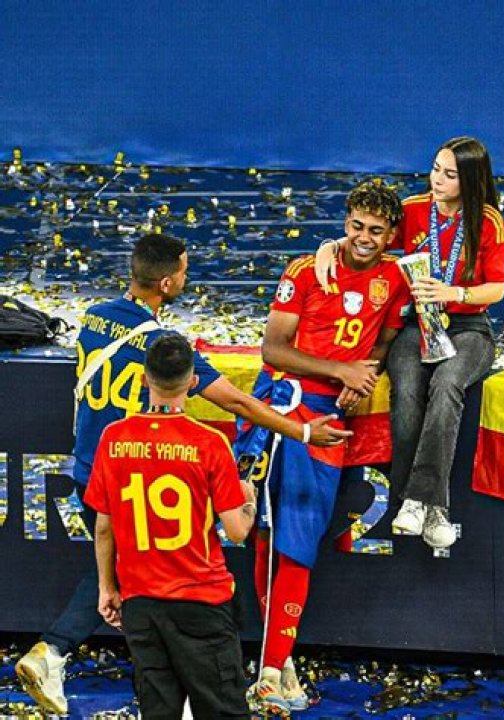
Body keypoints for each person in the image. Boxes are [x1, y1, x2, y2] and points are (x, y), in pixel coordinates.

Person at [15, 232, 348, 715]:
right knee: (145, 579)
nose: (187, 278)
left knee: (115, 570)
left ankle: (63, 653)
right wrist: (302, 432)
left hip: (94, 465)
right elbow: (236, 403)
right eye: (185, 272)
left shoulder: (93, 317)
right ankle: (55, 651)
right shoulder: (163, 349)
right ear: (168, 282)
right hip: (142, 469)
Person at [234, 179, 410, 716]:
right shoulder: (307, 270)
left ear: (391, 235)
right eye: (355, 226)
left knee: (300, 538)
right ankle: (271, 669)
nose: (363, 237)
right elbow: (273, 349)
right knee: (271, 533)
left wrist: (365, 374)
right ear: (345, 222)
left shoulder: (394, 279)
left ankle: (276, 660)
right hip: (284, 411)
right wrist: (340, 370)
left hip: (331, 421)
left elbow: (384, 339)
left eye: (375, 230)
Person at [315, 137, 504, 550]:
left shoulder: (489, 222)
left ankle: (423, 502)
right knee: (406, 389)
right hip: (416, 325)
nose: (437, 179)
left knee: (447, 384)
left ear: (470, 180)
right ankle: (424, 506)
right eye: (436, 169)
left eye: (449, 174)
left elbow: (496, 289)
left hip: (468, 328)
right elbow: (369, 237)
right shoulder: (414, 209)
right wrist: (329, 247)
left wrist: (453, 293)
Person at [84, 333, 255, 719]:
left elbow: (104, 528)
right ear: (193, 382)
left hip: (141, 604)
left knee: (158, 710)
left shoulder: (113, 438)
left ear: (145, 378)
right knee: (223, 710)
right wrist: (248, 500)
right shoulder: (209, 443)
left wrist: (107, 587)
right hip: (201, 602)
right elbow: (237, 531)